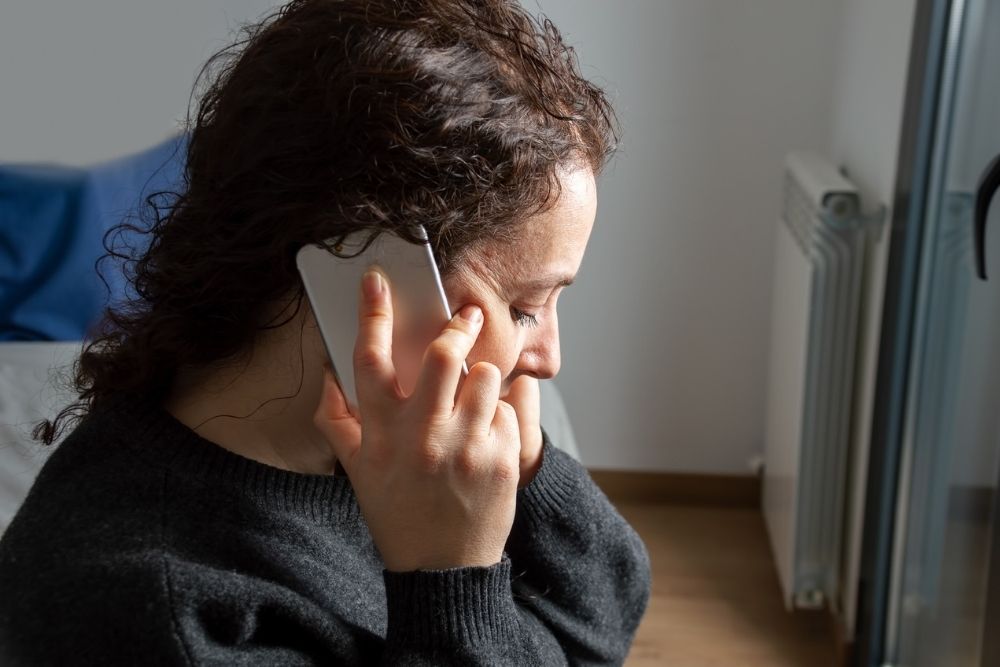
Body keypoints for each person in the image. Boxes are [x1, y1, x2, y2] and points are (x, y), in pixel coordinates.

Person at [0, 0, 651, 664]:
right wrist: (451, 575)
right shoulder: (157, 617)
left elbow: (599, 625)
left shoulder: (404, 439)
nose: (548, 358)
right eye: (524, 307)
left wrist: (529, 464)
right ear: (368, 269)